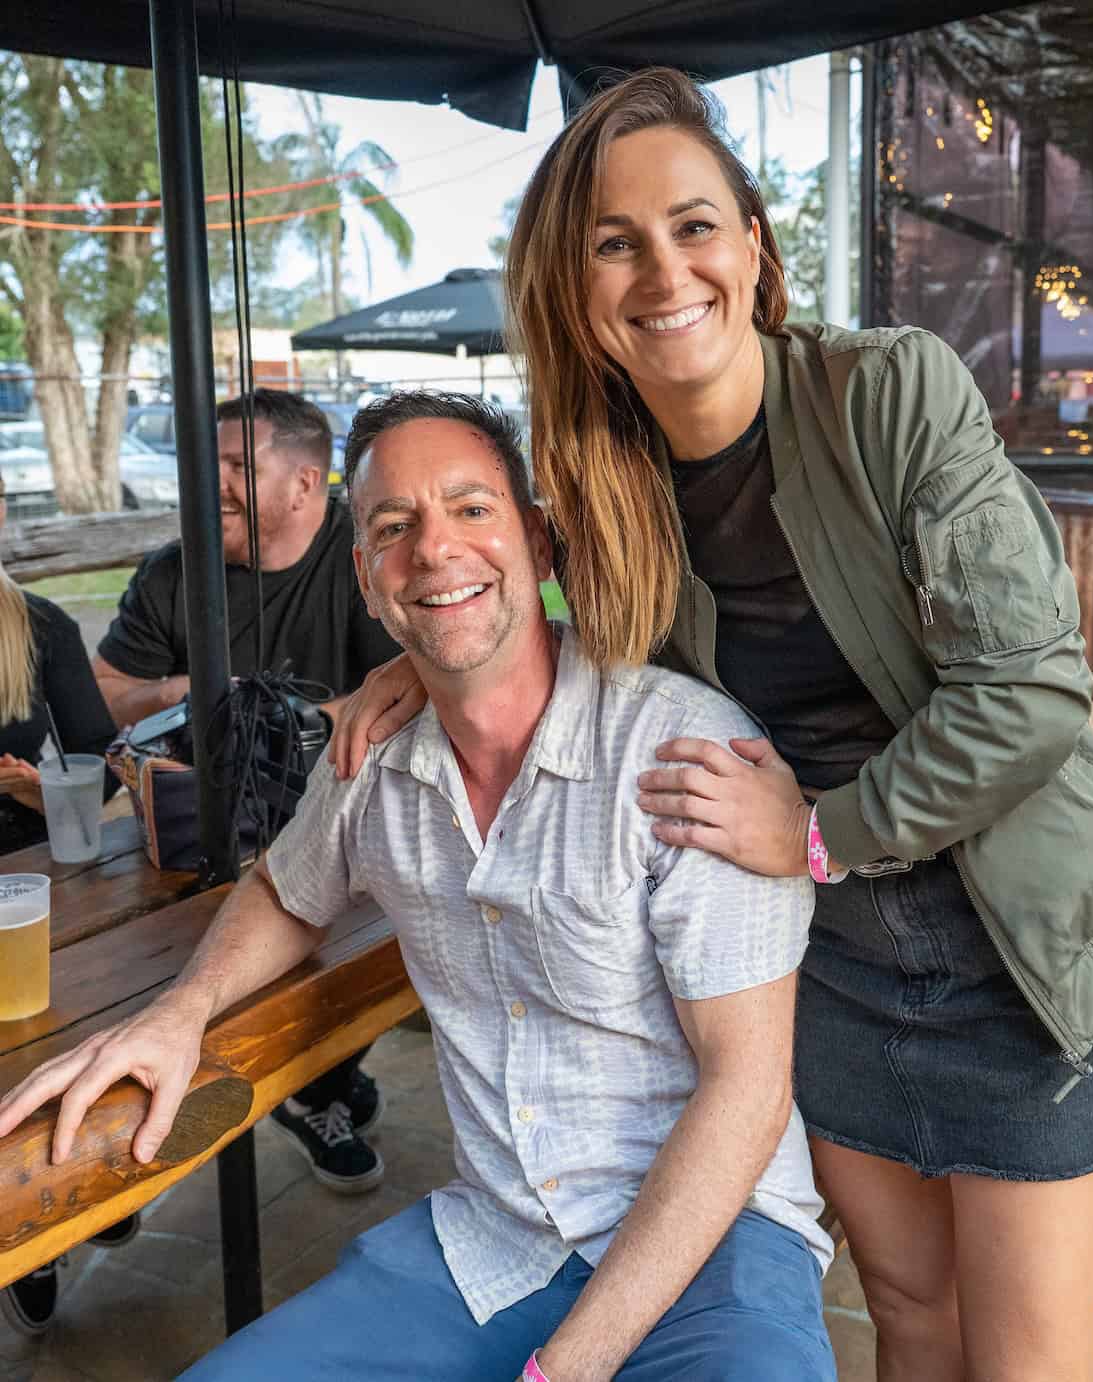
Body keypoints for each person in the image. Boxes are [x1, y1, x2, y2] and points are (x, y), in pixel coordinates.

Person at [331, 70, 1093, 1382]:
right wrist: (426, 661)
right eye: (616, 243)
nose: (666, 270)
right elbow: (537, 604)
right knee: (910, 1313)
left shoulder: (889, 392)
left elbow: (1031, 692)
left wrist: (820, 832)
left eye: (694, 225)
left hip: (1015, 938)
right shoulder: (608, 491)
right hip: (831, 962)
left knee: (1028, 1361)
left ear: (754, 247)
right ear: (576, 296)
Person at [0, 392, 835, 1382]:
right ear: (367, 577)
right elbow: (285, 890)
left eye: (472, 508)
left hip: (714, 1236)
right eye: (394, 526)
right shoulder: (376, 760)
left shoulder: (681, 754)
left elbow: (746, 1090)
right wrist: (180, 1011)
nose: (435, 548)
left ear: (538, 541)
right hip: (498, 1237)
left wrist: (564, 1368)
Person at [94, 388, 401, 1197]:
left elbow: (402, 691)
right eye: (204, 465)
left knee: (378, 945)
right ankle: (108, 1155)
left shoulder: (364, 557)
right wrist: (187, 694)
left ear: (304, 483)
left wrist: (280, 722)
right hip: (197, 830)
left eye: (234, 465)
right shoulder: (175, 571)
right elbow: (107, 689)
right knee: (131, 971)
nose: (211, 486)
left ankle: (319, 1087)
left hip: (349, 816)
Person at [0, 472, 135, 1339]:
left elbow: (102, 763)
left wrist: (37, 788)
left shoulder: (37, 626)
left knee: (54, 1045)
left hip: (38, 891)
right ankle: (28, 1235)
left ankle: (70, 1193)